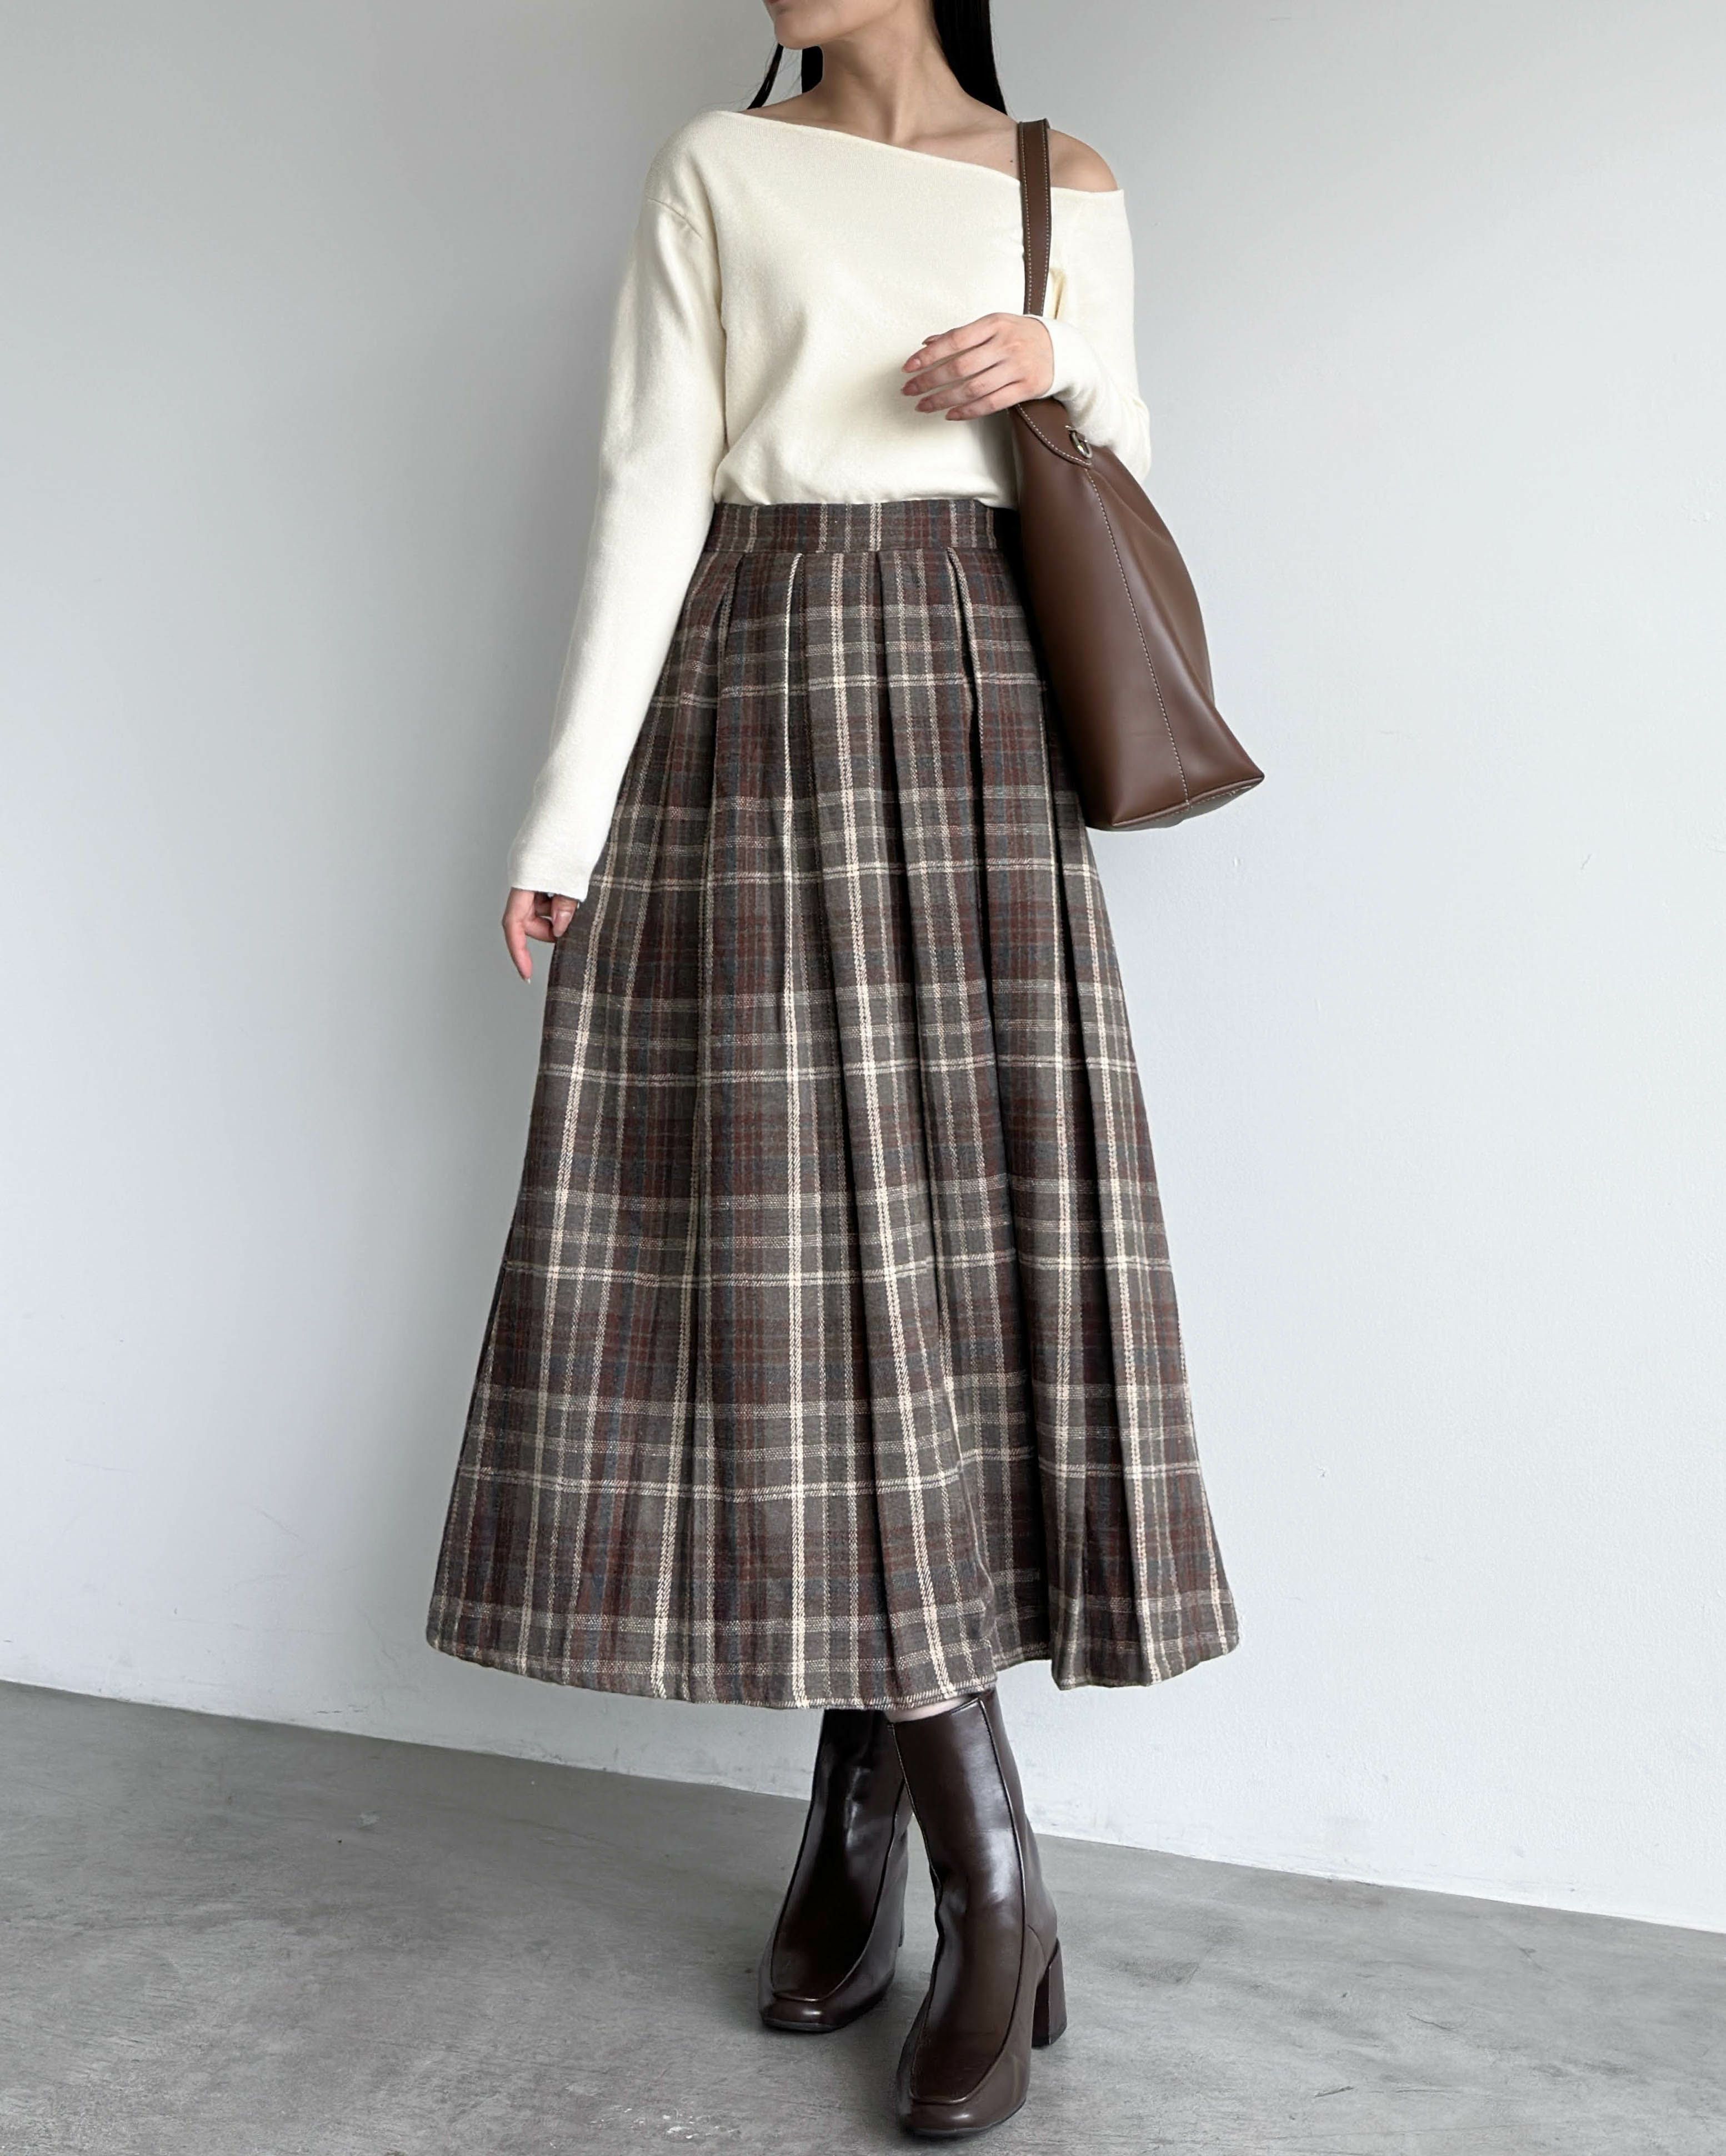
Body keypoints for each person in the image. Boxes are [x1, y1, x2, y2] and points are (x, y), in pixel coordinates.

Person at [426, 0, 1238, 2135]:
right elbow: (650, 478)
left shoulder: (1066, 179)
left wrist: (1059, 369)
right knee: (823, 1275)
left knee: (942, 1275)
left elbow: (1126, 451)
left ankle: (855, 1826)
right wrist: (564, 820)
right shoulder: (720, 163)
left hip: (978, 713)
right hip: (760, 697)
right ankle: (996, 1886)